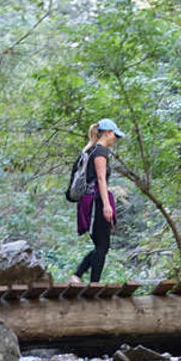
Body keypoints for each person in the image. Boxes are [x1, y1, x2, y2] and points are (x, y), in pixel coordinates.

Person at [71, 119, 124, 284]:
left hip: (90, 200)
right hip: (96, 201)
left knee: (101, 246)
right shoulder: (100, 151)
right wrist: (106, 205)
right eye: (115, 135)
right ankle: (87, 280)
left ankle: (82, 277)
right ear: (107, 132)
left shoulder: (90, 150)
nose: (116, 139)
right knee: (103, 246)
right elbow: (101, 178)